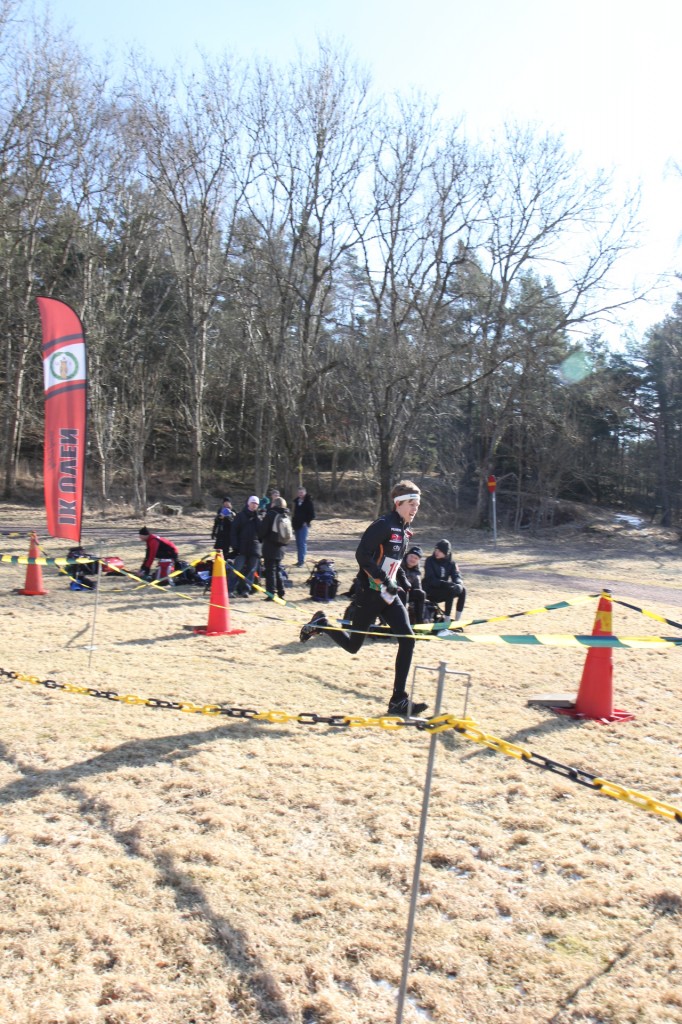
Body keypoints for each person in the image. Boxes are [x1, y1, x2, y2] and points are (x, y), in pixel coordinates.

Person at [299, 480, 428, 718]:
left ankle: (398, 700)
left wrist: (402, 579)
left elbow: (393, 562)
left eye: (418, 504)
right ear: (398, 503)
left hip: (388, 595)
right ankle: (323, 624)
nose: (415, 509)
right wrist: (382, 578)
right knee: (353, 646)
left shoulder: (404, 531)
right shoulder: (383, 525)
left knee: (408, 640)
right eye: (411, 504)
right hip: (369, 592)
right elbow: (362, 555)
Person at [423, 539, 466, 621]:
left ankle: (457, 620)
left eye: (440, 551)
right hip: (430, 590)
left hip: (443, 590)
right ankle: (447, 619)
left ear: (446, 553)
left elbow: (456, 576)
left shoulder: (451, 563)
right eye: (436, 550)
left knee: (463, 590)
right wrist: (445, 584)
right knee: (450, 589)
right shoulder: (429, 560)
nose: (437, 552)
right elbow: (430, 579)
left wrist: (459, 584)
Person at [229, 496, 264, 597]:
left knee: (251, 570)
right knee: (236, 569)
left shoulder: (259, 517)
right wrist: (235, 545)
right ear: (248, 503)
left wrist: (257, 518)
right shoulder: (240, 516)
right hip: (242, 547)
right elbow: (234, 531)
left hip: (254, 548)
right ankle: (229, 589)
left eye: (256, 504)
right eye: (253, 503)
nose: (254, 505)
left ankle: (246, 590)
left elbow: (261, 532)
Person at [257, 496, 291, 600]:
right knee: (278, 569)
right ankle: (281, 592)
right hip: (281, 546)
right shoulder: (285, 515)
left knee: (270, 571)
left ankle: (271, 594)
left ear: (274, 504)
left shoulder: (270, 514)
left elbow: (263, 531)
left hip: (270, 545)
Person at [401, 545, 426, 625]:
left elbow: (417, 587)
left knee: (421, 594)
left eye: (416, 558)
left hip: (408, 594)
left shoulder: (417, 572)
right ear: (407, 555)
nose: (413, 559)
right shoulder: (399, 565)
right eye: (411, 556)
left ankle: (419, 622)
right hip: (396, 592)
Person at [292, 486, 315, 567]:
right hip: (296, 525)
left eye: (302, 492)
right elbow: (294, 514)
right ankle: (299, 560)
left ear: (305, 493)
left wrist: (306, 522)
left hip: (303, 526)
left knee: (302, 543)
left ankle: (301, 562)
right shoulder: (297, 502)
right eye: (299, 493)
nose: (300, 494)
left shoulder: (308, 502)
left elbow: (312, 515)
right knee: (298, 544)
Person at [211, 496, 234, 561]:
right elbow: (216, 522)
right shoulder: (220, 510)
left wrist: (226, 518)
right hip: (220, 533)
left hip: (228, 534)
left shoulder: (232, 511)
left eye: (228, 502)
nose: (226, 504)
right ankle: (217, 563)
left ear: (230, 503)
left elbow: (234, 523)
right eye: (225, 502)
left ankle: (225, 565)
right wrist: (213, 532)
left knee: (226, 551)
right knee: (218, 550)